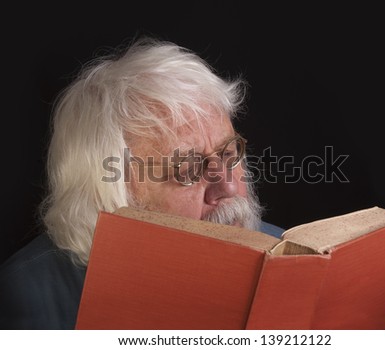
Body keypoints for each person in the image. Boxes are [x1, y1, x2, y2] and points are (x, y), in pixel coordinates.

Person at [0, 36, 285, 330]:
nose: (228, 187)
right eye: (187, 170)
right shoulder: (23, 303)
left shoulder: (289, 254)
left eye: (228, 153)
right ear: (112, 198)